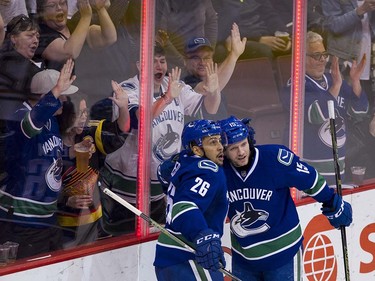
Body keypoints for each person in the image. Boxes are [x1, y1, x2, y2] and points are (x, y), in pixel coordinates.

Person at [99, 42, 221, 236]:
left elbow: (210, 108)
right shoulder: (127, 89)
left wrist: (213, 91)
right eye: (153, 61)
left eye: (162, 61)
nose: (159, 66)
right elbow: (138, 120)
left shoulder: (173, 86)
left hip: (160, 187)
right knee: (123, 244)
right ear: (139, 65)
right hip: (127, 187)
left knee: (155, 243)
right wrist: (166, 98)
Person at [218, 116, 353, 281]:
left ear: (249, 139)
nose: (241, 152)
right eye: (233, 148)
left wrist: (331, 201)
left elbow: (309, 179)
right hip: (244, 260)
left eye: (244, 144)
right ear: (223, 150)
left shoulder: (274, 159)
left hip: (283, 256)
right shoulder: (218, 171)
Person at [0, 59, 78, 259]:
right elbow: (29, 125)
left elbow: (48, 159)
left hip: (47, 218)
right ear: (45, 96)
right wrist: (55, 93)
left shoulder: (51, 120)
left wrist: (71, 148)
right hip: (21, 220)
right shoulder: (19, 117)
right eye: (62, 96)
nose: (65, 101)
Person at [282, 31, 369, 185]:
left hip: (340, 168)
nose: (322, 60)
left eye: (324, 54)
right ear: (301, 57)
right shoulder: (296, 86)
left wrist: (355, 81)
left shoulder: (332, 78)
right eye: (316, 56)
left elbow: (360, 112)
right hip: (310, 173)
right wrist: (336, 86)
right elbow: (316, 115)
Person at [154, 119, 228, 281]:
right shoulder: (209, 171)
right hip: (190, 255)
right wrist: (203, 235)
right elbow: (184, 206)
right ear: (197, 149)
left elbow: (162, 173)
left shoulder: (184, 160)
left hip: (167, 257)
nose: (220, 147)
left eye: (220, 140)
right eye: (213, 142)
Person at [183, 23, 247, 122]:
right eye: (196, 58)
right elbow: (209, 88)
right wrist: (234, 55)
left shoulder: (220, 88)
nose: (202, 62)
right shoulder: (185, 85)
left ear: (213, 60)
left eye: (207, 57)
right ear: (185, 61)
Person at [34, 0, 117, 71]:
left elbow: (109, 38)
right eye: (52, 5)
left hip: (92, 83)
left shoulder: (75, 25)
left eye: (62, 3)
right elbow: (69, 53)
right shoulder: (40, 34)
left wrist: (100, 8)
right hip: (63, 88)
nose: (59, 8)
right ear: (42, 13)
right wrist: (86, 16)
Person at [212, 0, 291, 63]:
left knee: (294, 47)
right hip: (242, 38)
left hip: (264, 33)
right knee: (263, 50)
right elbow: (223, 28)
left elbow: (270, 15)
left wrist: (283, 34)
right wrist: (259, 39)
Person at [0, 14, 42, 120]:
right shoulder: (7, 63)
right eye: (30, 36)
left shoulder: (37, 62)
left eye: (37, 36)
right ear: (13, 38)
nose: (36, 40)